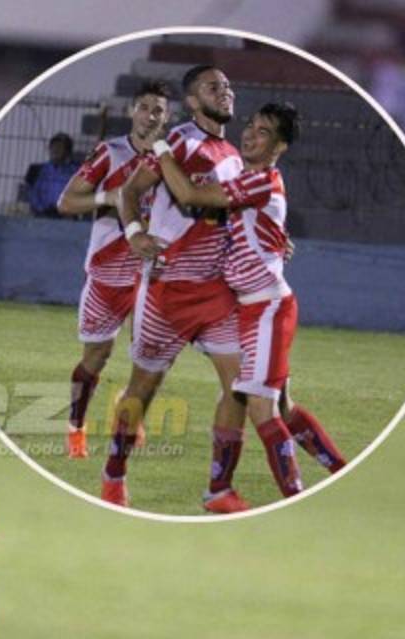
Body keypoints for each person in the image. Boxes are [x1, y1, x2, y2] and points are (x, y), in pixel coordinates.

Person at [152, 101, 346, 495]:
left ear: (280, 146)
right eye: (251, 126)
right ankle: (340, 472)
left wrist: (160, 147)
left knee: (261, 407)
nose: (250, 135)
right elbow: (254, 227)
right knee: (282, 406)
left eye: (263, 132)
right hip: (251, 308)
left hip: (268, 307)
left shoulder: (259, 182)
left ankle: (293, 495)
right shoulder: (250, 179)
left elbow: (188, 193)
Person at [103, 65, 248, 513]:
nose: (225, 92)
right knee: (143, 391)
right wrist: (134, 234)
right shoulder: (179, 142)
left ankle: (218, 490)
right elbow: (129, 192)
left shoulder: (233, 154)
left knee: (242, 385)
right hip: (167, 289)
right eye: (213, 87)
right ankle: (114, 475)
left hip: (216, 292)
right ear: (192, 101)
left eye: (228, 86)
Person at [55, 82, 170, 458]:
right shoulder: (111, 152)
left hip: (151, 274)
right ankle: (76, 426)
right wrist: (109, 196)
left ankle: (128, 412)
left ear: (167, 117)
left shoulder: (173, 160)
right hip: (107, 274)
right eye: (145, 107)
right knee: (96, 357)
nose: (150, 115)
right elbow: (66, 202)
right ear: (132, 111)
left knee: (151, 357)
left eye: (158, 109)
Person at [24, 131, 79, 217]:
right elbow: (32, 194)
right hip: (42, 214)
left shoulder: (76, 171)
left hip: (66, 215)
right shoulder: (39, 170)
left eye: (60, 147)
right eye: (53, 146)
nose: (55, 149)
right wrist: (42, 210)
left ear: (67, 151)